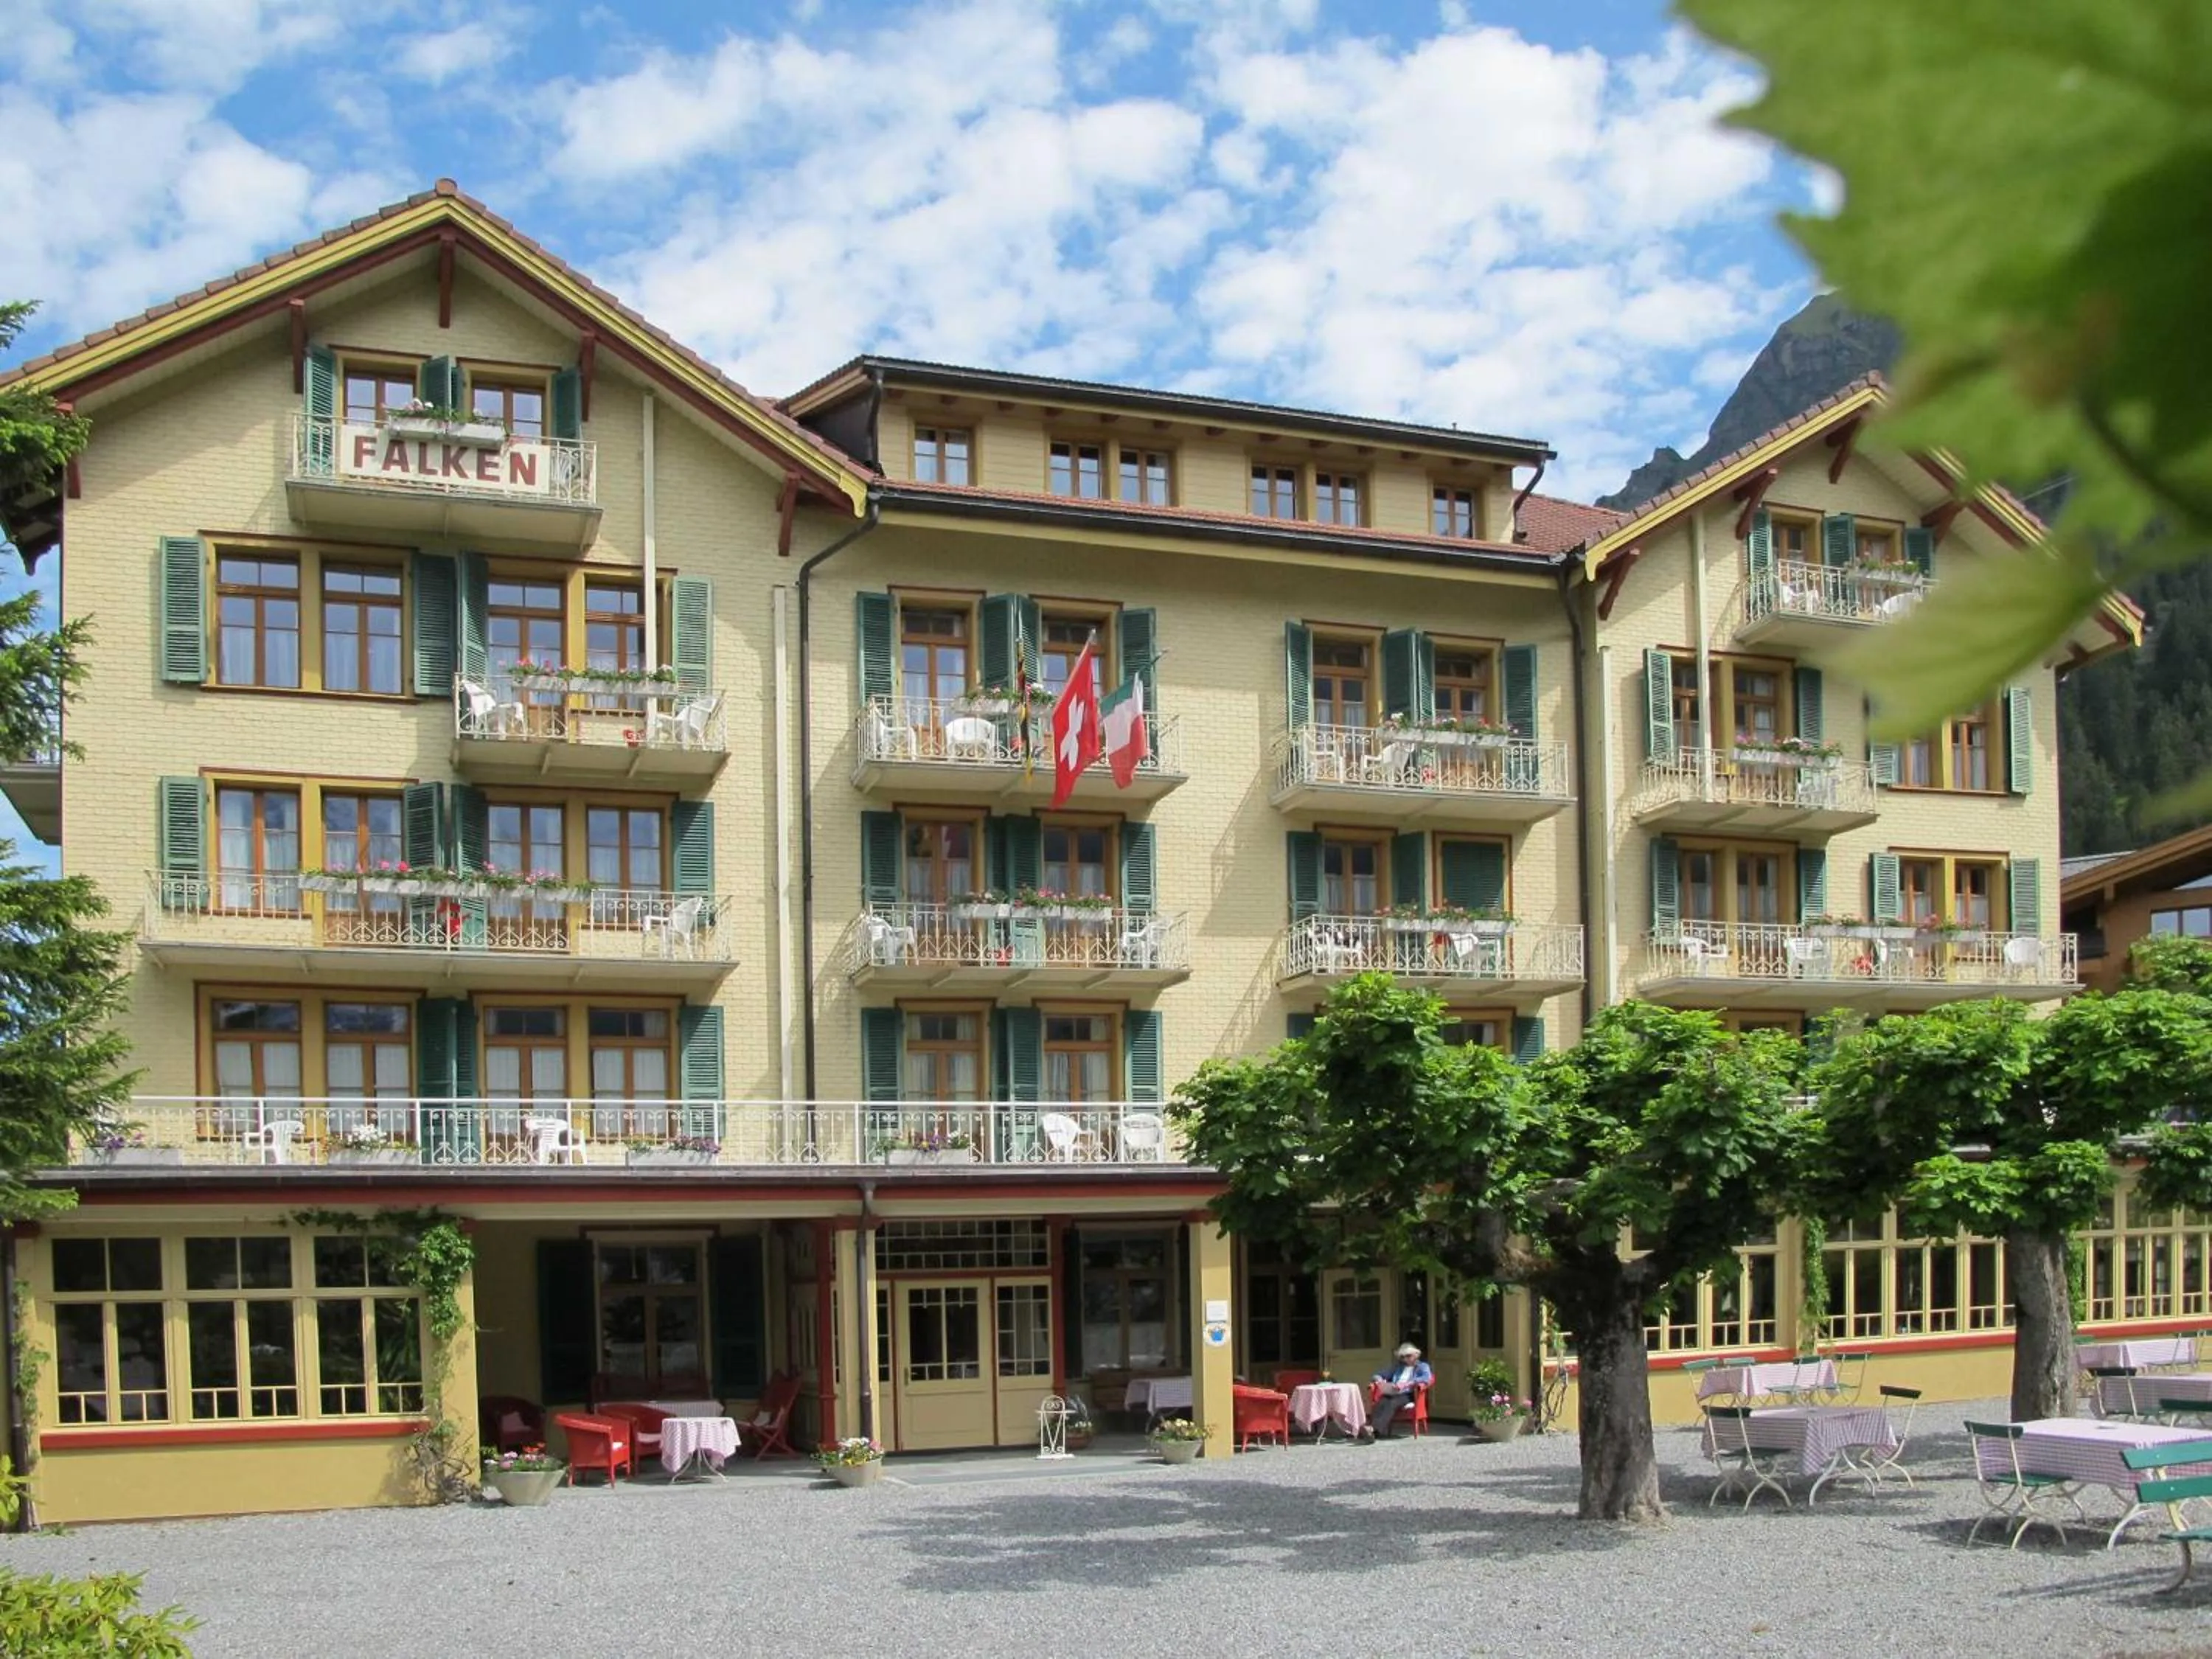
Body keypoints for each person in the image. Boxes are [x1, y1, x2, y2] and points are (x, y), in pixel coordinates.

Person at [1362, 1343, 1432, 1440]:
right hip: (1394, 1391)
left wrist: (1408, 1384)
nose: (1405, 1359)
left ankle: (1373, 1430)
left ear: (1416, 1355)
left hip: (1409, 1393)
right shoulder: (1398, 1367)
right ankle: (1373, 1431)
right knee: (1381, 1401)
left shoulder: (1422, 1366)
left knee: (1392, 1403)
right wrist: (1380, 1380)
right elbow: (1378, 1374)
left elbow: (1426, 1378)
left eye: (1408, 1356)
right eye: (1403, 1357)